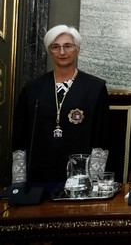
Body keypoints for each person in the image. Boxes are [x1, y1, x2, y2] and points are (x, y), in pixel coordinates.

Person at [11, 25, 110, 184]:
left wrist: (95, 181)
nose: (62, 52)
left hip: (80, 175)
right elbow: (20, 137)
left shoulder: (95, 87)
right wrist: (19, 182)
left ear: (77, 49)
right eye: (55, 47)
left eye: (68, 46)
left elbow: (101, 137)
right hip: (39, 176)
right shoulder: (32, 89)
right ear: (50, 51)